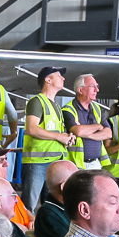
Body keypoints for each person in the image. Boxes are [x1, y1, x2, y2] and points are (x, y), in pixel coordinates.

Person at [21, 66, 75, 212]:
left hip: (53, 163)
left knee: (52, 207)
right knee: (28, 207)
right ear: (48, 79)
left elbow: (53, 133)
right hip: (37, 164)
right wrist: (60, 137)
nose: (63, 78)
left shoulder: (56, 106)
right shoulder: (37, 101)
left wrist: (66, 138)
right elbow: (31, 128)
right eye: (58, 75)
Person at [61, 74, 113, 172]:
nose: (97, 90)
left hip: (96, 163)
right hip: (75, 165)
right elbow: (78, 131)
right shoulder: (68, 109)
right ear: (80, 90)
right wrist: (97, 126)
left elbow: (108, 133)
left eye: (97, 86)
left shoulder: (97, 109)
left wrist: (86, 133)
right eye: (92, 86)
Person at [35, 160, 78, 237]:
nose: (82, 184)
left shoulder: (70, 207)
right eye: (78, 180)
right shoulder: (48, 215)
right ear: (64, 186)